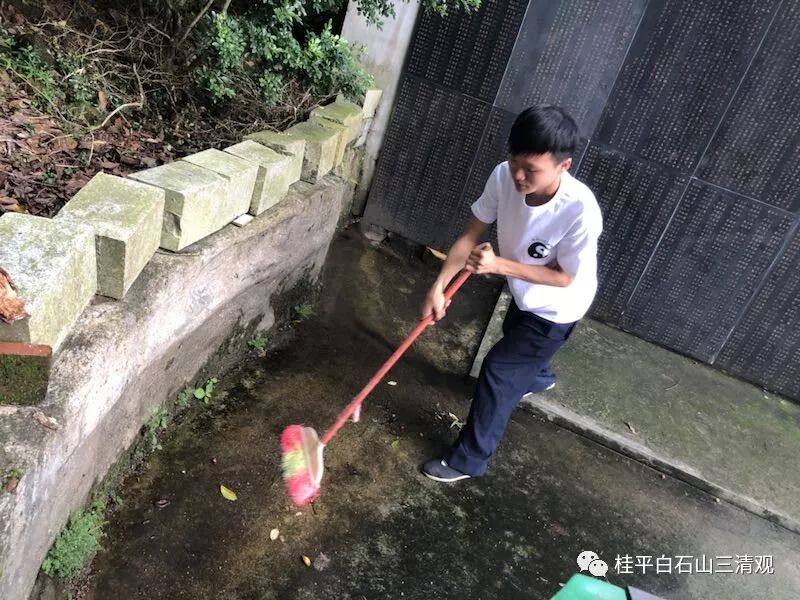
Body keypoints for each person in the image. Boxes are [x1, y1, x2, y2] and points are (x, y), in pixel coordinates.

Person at [421, 105, 603, 482]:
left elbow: (565, 278)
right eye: (514, 160)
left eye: (531, 170)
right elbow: (470, 236)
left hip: (558, 310)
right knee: (515, 337)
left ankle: (469, 460)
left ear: (563, 166)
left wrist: (499, 265)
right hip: (523, 294)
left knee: (500, 371)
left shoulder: (580, 210)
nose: (518, 175)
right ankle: (538, 376)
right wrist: (439, 286)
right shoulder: (503, 176)